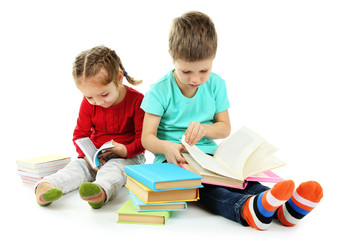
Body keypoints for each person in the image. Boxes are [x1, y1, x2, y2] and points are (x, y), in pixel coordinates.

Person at [141, 11, 323, 230]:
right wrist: (165, 146)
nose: (196, 79)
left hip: (209, 156)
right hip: (174, 161)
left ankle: (285, 208)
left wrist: (205, 131)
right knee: (207, 189)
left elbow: (224, 128)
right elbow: (147, 138)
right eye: (186, 71)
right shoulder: (159, 91)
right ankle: (245, 209)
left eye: (204, 70)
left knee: (240, 180)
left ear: (214, 57)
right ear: (171, 56)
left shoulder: (216, 85)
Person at [35, 46, 145, 209]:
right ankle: (48, 185)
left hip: (128, 156)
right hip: (96, 155)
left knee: (115, 171)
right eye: (89, 97)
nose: (98, 102)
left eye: (104, 94)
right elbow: (80, 134)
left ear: (119, 78)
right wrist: (87, 156)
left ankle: (100, 191)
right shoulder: (89, 103)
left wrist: (125, 150)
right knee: (77, 168)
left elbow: (144, 139)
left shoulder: (137, 101)